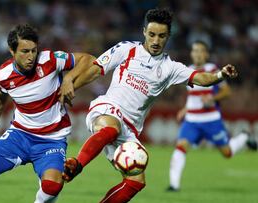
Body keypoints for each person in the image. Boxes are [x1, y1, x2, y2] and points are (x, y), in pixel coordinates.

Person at [59, 8, 238, 203]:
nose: (155, 41)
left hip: (130, 128)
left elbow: (202, 78)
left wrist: (220, 75)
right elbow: (95, 70)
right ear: (144, 31)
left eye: (161, 36)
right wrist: (70, 86)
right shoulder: (126, 49)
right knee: (112, 127)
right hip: (108, 108)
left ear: (168, 36)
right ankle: (76, 164)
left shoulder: (171, 68)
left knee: (137, 181)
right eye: (152, 34)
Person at [0, 24, 95, 203]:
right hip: (19, 136)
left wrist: (68, 79)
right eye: (25, 51)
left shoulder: (50, 59)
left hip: (51, 140)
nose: (31, 57)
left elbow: (88, 59)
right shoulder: (5, 74)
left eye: (34, 51)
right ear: (12, 51)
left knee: (52, 187)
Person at [167, 40, 257, 192]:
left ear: (206, 54)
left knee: (227, 153)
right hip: (192, 120)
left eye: (201, 51)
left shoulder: (213, 70)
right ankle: (173, 186)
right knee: (181, 147)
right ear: (191, 53)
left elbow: (227, 91)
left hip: (211, 119)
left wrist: (212, 99)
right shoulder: (188, 70)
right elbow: (193, 96)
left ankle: (244, 137)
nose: (197, 54)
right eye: (195, 51)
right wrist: (184, 109)